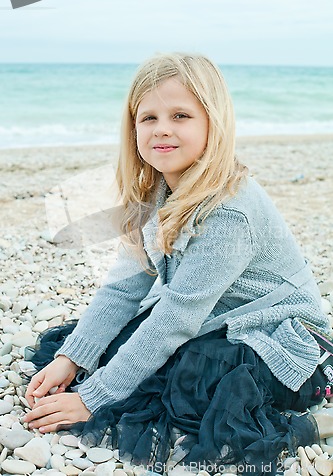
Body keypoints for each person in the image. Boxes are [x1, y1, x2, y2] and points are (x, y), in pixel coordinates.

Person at [24, 53, 331, 475]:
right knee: (110, 349)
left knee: (192, 381)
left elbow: (176, 317)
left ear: (213, 123)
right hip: (213, 318)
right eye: (148, 118)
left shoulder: (229, 210)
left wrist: (90, 399)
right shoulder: (155, 192)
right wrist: (72, 359)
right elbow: (124, 288)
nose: (162, 128)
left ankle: (307, 423)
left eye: (181, 115)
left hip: (275, 336)